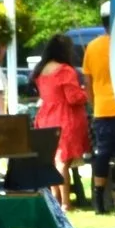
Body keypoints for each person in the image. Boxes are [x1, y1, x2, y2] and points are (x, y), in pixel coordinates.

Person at [32, 32, 90, 194]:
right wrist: (86, 92)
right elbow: (73, 98)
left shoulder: (40, 70)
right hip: (64, 117)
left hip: (45, 117)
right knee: (63, 161)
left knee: (52, 161)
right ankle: (65, 202)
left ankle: (56, 198)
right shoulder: (65, 70)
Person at [82, 10, 115, 211]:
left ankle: (99, 201)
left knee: (103, 154)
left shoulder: (92, 47)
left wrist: (92, 103)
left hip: (102, 109)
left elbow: (87, 81)